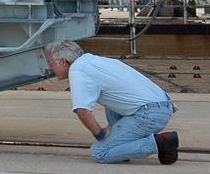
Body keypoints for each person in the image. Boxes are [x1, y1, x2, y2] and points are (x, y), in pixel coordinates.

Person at [46, 40, 179, 164]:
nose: (50, 68)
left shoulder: (77, 70)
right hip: (162, 107)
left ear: (63, 61)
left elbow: (82, 111)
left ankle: (159, 143)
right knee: (109, 99)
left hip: (148, 114)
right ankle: (122, 150)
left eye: (51, 63)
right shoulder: (97, 61)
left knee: (100, 152)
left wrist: (100, 134)